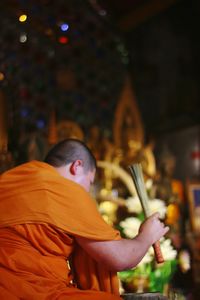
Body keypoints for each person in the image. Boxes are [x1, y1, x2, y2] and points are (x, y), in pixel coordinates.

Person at [0, 139, 169, 299]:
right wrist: (147, 235)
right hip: (33, 292)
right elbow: (120, 258)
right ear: (77, 166)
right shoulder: (66, 190)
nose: (87, 191)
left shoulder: (9, 180)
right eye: (89, 181)